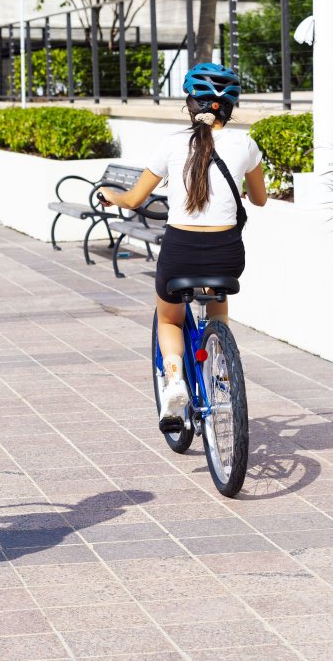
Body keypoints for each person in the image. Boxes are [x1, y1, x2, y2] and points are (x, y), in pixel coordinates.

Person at [100, 63, 267, 432]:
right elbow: (259, 200)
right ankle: (220, 368)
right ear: (231, 107)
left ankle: (175, 380)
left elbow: (133, 199)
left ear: (190, 104)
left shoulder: (172, 144)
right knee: (215, 303)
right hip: (226, 251)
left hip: (180, 250)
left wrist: (112, 195)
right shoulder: (246, 145)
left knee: (170, 317)